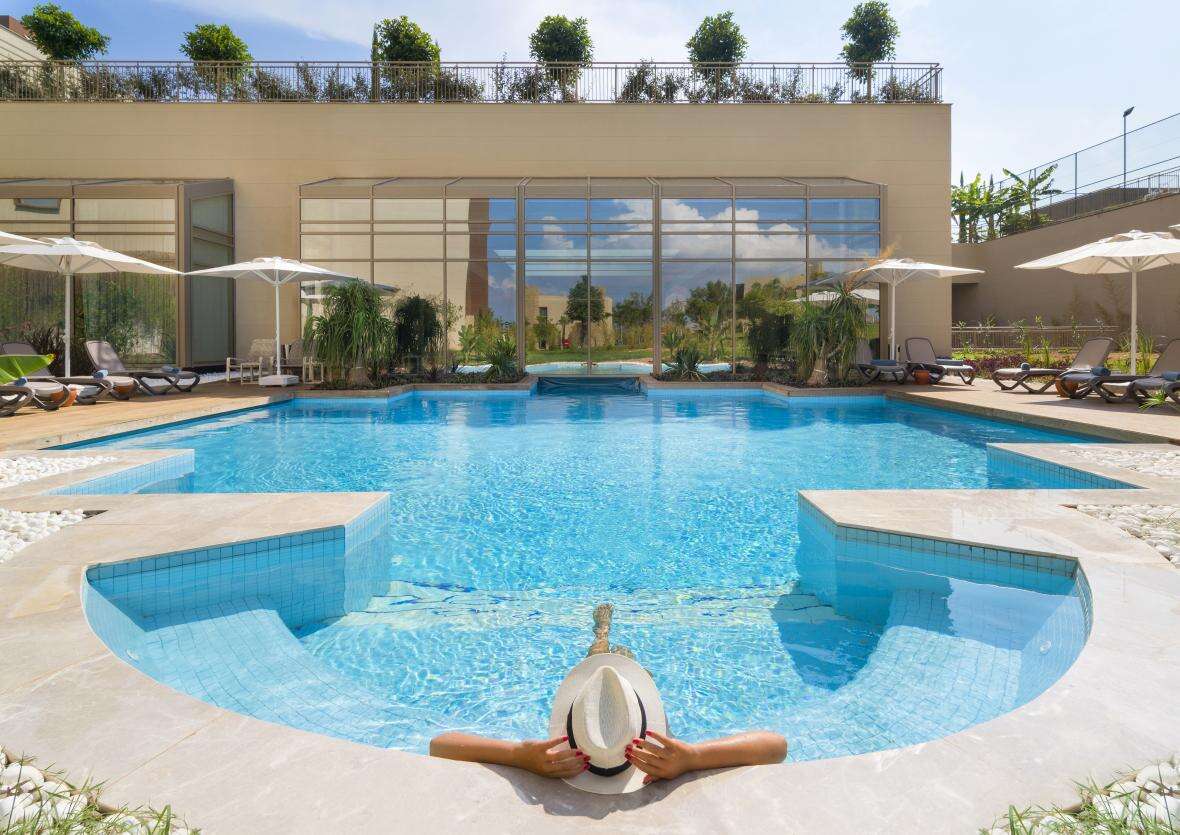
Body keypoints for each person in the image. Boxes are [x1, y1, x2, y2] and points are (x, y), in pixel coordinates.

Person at [429, 605, 787, 794]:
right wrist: (692, 757)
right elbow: (775, 745)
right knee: (614, 683)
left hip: (601, 733)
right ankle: (611, 651)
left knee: (603, 678)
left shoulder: (557, 755)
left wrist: (519, 756)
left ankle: (601, 640)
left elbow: (440, 744)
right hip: (644, 736)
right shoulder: (666, 756)